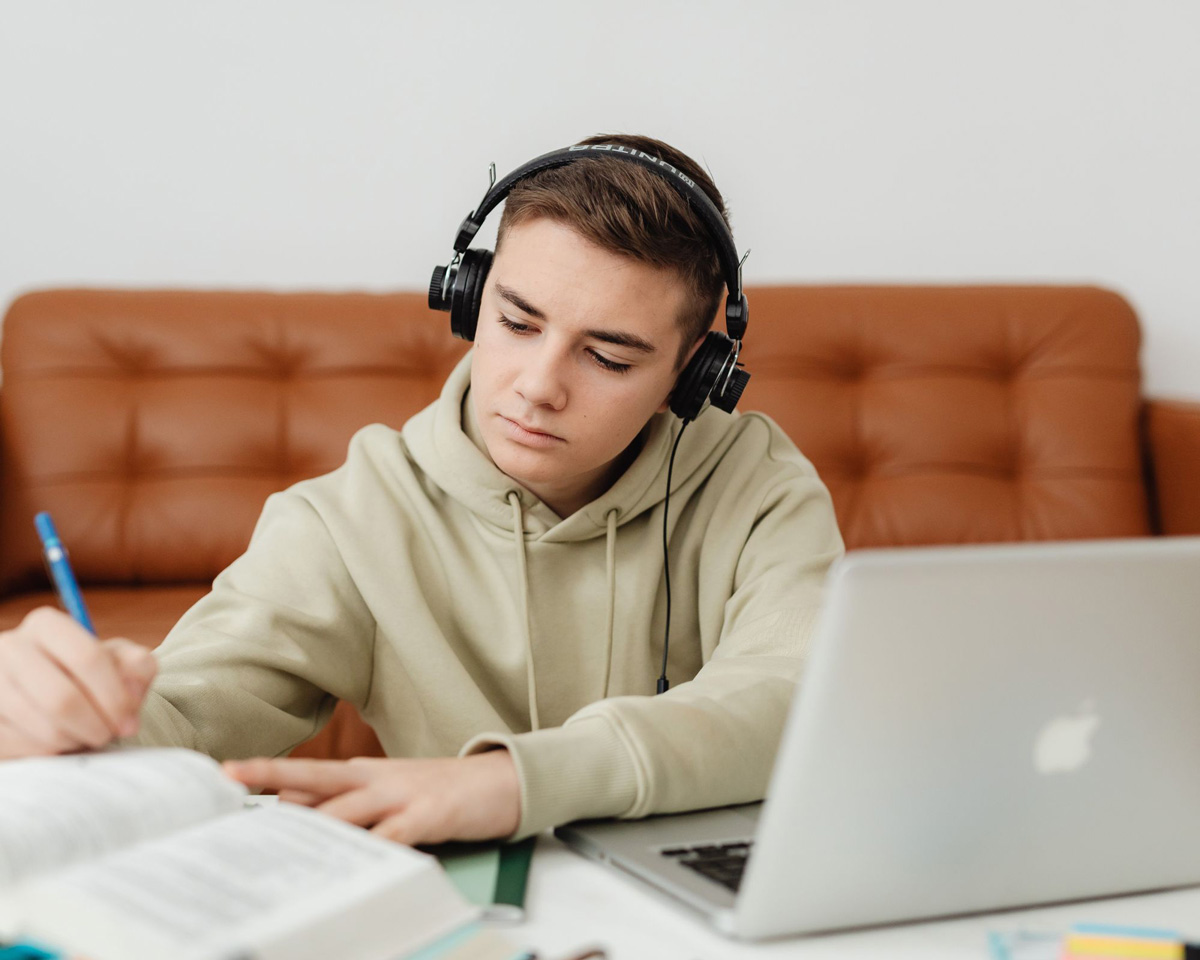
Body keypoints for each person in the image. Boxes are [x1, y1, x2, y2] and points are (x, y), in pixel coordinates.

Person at [0, 133, 844, 845]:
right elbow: (182, 719)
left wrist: (513, 783)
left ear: (694, 374)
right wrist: (74, 716)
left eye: (608, 357)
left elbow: (798, 694)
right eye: (515, 322)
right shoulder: (347, 520)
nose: (536, 386)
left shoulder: (760, 485)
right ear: (469, 297)